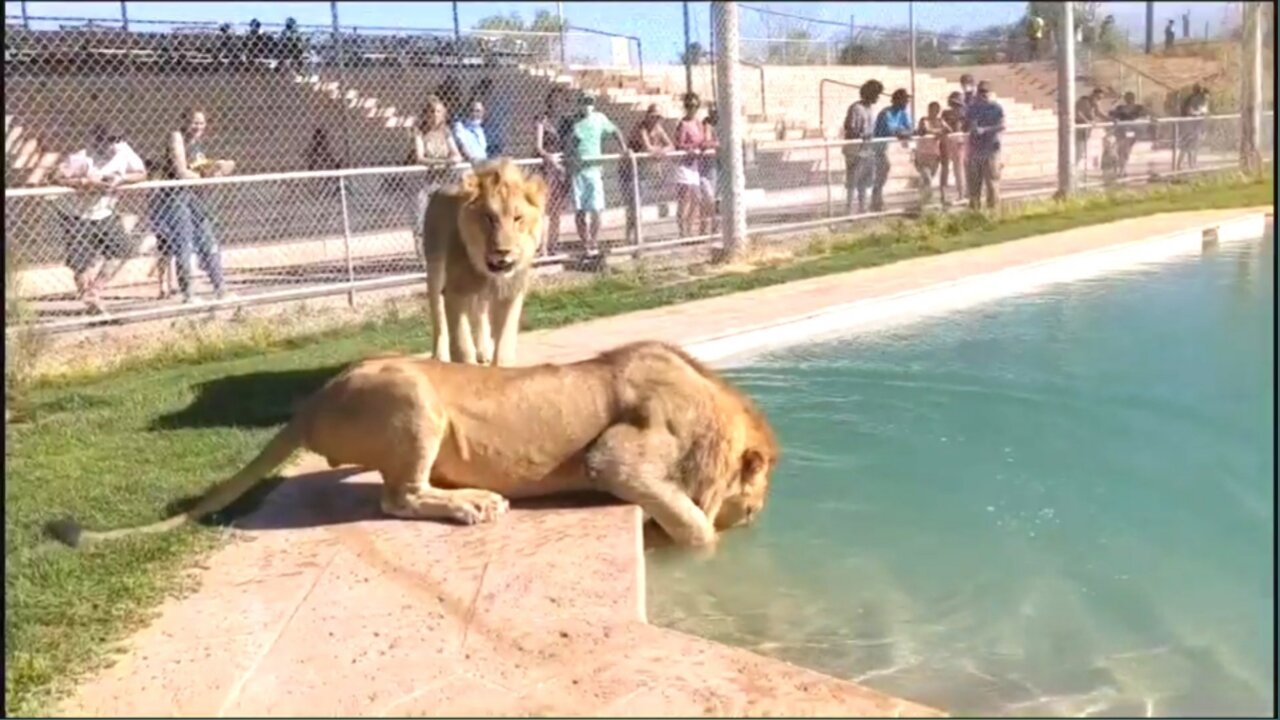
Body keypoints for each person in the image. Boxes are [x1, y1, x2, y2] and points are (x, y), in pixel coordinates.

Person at [50, 123, 147, 314]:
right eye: (109, 140)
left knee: (123, 250)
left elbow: (142, 173)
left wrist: (122, 179)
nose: (114, 144)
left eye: (117, 139)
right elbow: (53, 177)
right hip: (77, 214)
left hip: (104, 212)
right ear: (97, 140)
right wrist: (82, 182)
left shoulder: (124, 150)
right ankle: (90, 301)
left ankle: (96, 290)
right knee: (81, 263)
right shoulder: (82, 157)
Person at [152, 107, 234, 304]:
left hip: (195, 197)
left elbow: (200, 168)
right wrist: (206, 176)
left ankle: (220, 288)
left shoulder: (198, 144)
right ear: (185, 122)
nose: (198, 127)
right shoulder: (177, 137)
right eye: (194, 122)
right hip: (175, 196)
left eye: (202, 123)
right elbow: (181, 171)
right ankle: (188, 293)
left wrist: (219, 168)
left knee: (208, 240)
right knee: (184, 244)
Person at [565, 92, 628, 270]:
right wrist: (570, 156)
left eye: (589, 102)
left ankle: (593, 241)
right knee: (579, 211)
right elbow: (569, 144)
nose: (587, 105)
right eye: (584, 102)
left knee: (597, 209)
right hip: (578, 171)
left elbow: (615, 130)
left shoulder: (600, 118)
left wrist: (623, 148)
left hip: (593, 169)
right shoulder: (574, 122)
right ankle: (586, 243)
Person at [409, 95, 463, 251]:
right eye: (432, 112)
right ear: (426, 114)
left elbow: (456, 154)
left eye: (439, 112)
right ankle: (421, 253)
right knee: (421, 219)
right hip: (422, 182)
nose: (435, 115)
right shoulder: (419, 131)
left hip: (441, 179)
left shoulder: (445, 131)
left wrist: (452, 159)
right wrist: (443, 162)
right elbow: (420, 157)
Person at [620, 103, 674, 245]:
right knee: (632, 205)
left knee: (637, 204)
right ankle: (630, 237)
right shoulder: (641, 127)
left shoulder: (658, 128)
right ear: (647, 116)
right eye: (653, 117)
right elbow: (647, 148)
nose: (655, 120)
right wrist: (659, 150)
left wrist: (660, 151)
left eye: (658, 117)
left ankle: (634, 237)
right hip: (628, 171)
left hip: (642, 171)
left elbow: (671, 145)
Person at [534, 87, 572, 255]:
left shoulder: (564, 122)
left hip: (560, 168)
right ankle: (542, 246)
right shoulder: (542, 120)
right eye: (554, 100)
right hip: (547, 167)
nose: (557, 103)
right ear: (549, 102)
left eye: (560, 100)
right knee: (544, 209)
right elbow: (538, 147)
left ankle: (553, 244)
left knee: (557, 210)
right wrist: (549, 158)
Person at [842, 79, 883, 215]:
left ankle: (862, 208)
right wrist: (861, 135)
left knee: (864, 182)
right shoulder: (856, 108)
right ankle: (848, 209)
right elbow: (849, 128)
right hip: (855, 150)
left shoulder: (870, 109)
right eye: (876, 94)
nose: (878, 97)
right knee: (852, 181)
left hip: (868, 150)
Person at [965, 80, 1006, 211]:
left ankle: (993, 212)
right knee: (973, 185)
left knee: (992, 183)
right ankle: (974, 213)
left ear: (990, 93)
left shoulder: (996, 108)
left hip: (991, 150)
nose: (982, 94)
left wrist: (985, 129)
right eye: (980, 91)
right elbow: (966, 125)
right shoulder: (972, 108)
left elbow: (1002, 125)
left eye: (985, 92)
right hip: (974, 150)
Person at [871, 88, 913, 213]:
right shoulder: (886, 113)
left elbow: (910, 129)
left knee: (884, 171)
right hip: (878, 148)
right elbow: (891, 131)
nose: (906, 103)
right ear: (897, 100)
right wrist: (901, 132)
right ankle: (876, 200)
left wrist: (902, 132)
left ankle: (877, 199)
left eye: (907, 100)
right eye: (904, 100)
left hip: (890, 148)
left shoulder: (903, 113)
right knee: (882, 171)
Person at [673, 92, 708, 237]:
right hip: (684, 165)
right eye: (688, 106)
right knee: (684, 199)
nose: (691, 108)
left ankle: (689, 226)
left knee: (697, 199)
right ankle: (682, 231)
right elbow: (678, 144)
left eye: (694, 106)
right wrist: (690, 148)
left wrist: (704, 146)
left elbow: (703, 140)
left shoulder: (699, 124)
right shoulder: (683, 124)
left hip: (694, 166)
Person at [914, 101, 951, 206]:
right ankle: (926, 201)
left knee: (928, 178)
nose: (932, 112)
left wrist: (941, 131)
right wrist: (937, 132)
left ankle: (922, 199)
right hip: (922, 153)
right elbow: (924, 130)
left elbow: (949, 129)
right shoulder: (924, 120)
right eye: (931, 109)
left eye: (935, 110)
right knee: (927, 178)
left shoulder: (940, 121)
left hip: (934, 154)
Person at [1107, 91, 1147, 177]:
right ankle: (1122, 169)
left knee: (1125, 150)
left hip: (1132, 131)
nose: (1129, 100)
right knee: (1121, 151)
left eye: (1130, 98)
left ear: (1133, 99)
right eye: (1127, 98)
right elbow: (1111, 113)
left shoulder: (1138, 108)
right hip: (1121, 131)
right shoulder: (1120, 108)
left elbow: (1146, 114)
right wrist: (1116, 102)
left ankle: (1122, 169)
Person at [939, 90, 968, 204]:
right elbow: (944, 127)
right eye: (953, 103)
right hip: (946, 140)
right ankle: (944, 195)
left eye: (957, 104)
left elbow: (959, 128)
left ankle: (961, 194)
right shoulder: (946, 113)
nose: (955, 106)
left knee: (958, 168)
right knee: (945, 167)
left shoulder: (963, 114)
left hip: (958, 140)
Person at [1176, 84, 1209, 170]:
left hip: (1194, 127)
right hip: (1189, 127)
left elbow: (1203, 112)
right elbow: (1190, 111)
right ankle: (1183, 165)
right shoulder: (1194, 99)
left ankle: (1191, 164)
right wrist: (1199, 113)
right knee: (1187, 146)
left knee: (1192, 147)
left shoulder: (1201, 100)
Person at [700, 104, 721, 234]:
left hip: (718, 166)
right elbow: (706, 142)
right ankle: (706, 227)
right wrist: (718, 144)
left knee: (715, 199)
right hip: (707, 167)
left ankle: (714, 226)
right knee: (708, 198)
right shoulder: (706, 124)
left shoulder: (722, 124)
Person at [1075, 88, 1106, 168]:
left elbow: (1098, 113)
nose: (1099, 100)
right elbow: (1078, 113)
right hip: (1079, 127)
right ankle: (1073, 168)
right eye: (1098, 98)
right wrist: (1087, 121)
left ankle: (1075, 167)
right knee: (1079, 149)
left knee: (1082, 149)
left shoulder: (1095, 103)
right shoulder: (1084, 101)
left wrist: (1110, 119)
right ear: (1093, 95)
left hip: (1087, 129)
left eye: (1100, 99)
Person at [452, 98, 488, 163]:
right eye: (471, 110)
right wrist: (473, 159)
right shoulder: (460, 126)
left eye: (478, 111)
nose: (474, 114)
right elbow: (462, 145)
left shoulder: (480, 129)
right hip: (469, 163)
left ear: (483, 112)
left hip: (483, 162)